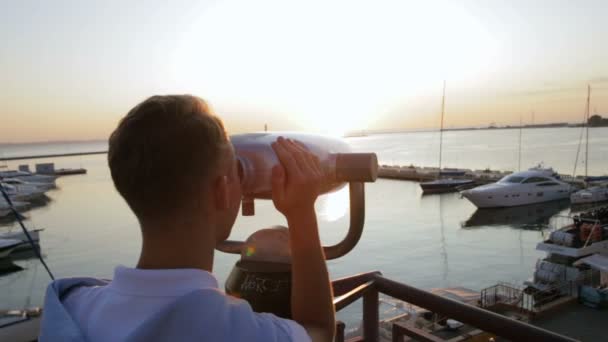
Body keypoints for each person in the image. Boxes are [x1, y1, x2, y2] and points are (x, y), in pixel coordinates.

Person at [39, 95, 335, 341]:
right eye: (237, 172)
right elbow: (319, 329)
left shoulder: (74, 305)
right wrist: (301, 214)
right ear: (221, 191)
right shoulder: (238, 332)